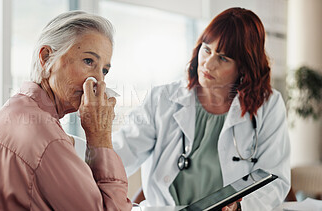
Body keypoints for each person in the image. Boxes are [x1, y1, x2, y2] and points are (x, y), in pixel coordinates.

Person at [112, 7, 290, 211]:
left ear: (244, 67)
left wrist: (240, 208)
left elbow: (275, 178)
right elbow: (121, 153)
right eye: (207, 50)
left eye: (223, 58)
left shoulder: (268, 105)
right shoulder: (162, 99)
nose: (208, 64)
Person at [0, 11, 132, 211]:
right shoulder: (48, 141)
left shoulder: (9, 115)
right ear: (46, 58)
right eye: (89, 61)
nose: (99, 81)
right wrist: (100, 137)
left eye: (104, 70)